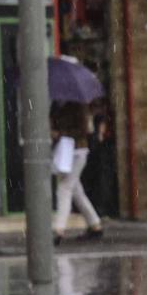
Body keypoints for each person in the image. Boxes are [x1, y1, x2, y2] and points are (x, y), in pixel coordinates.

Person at [50, 101, 102, 241]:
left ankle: (58, 229)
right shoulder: (56, 105)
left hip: (78, 151)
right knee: (76, 191)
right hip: (63, 152)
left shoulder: (79, 106)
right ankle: (95, 224)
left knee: (64, 189)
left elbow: (84, 130)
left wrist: (61, 134)